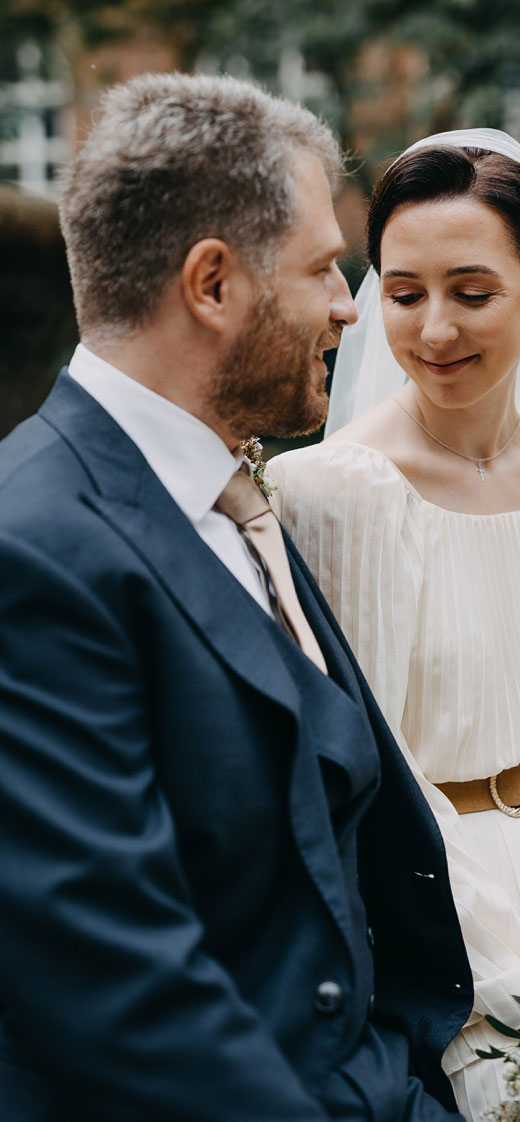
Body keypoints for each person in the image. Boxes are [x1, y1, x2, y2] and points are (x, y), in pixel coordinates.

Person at [0, 74, 472, 1120]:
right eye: (321, 267)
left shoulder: (231, 491)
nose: (353, 303)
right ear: (212, 285)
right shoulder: (29, 549)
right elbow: (119, 987)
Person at [265, 130, 520, 1118]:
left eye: (471, 290)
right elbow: (357, 779)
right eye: (404, 293)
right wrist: (495, 962)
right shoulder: (324, 495)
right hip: (432, 919)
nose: (434, 329)